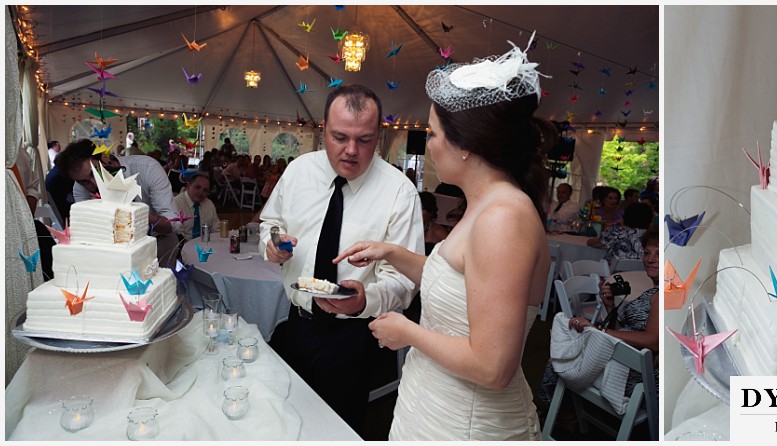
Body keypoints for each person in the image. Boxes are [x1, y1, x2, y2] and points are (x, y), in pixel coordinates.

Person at [333, 34, 552, 440]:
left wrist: (407, 332)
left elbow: (493, 367)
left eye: (432, 134)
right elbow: (459, 282)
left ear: (466, 144)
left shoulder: (504, 217)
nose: (429, 144)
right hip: (433, 402)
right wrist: (393, 253)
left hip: (467, 421)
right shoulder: (484, 204)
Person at [258, 84, 423, 434]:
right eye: (339, 137)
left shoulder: (399, 192)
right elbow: (271, 223)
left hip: (353, 336)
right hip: (297, 320)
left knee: (337, 429)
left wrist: (367, 299)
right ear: (323, 129)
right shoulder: (300, 170)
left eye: (364, 140)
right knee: (285, 421)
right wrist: (271, 244)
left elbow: (404, 279)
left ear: (379, 136)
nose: (351, 150)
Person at [539, 228, 660, 430]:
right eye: (647, 253)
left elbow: (652, 340)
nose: (650, 259)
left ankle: (559, 414)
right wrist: (610, 306)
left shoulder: (662, 295)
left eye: (658, 254)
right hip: (629, 358)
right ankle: (564, 412)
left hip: (636, 374)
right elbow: (631, 332)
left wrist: (599, 330)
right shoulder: (656, 290)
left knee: (561, 358)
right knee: (569, 348)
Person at [56, 139, 181, 267]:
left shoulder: (148, 168)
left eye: (95, 173)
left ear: (105, 159)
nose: (95, 184)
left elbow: (173, 224)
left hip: (159, 240)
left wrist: (134, 212)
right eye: (84, 182)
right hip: (114, 251)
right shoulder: (80, 188)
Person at [587, 202, 654, 263]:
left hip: (612, 274)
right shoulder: (652, 237)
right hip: (641, 273)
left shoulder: (616, 231)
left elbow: (592, 242)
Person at [173, 172, 220, 242]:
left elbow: (216, 230)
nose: (201, 192)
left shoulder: (209, 204)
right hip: (183, 247)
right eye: (197, 187)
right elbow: (178, 235)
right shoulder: (176, 203)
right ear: (188, 186)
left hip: (206, 245)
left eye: (205, 190)